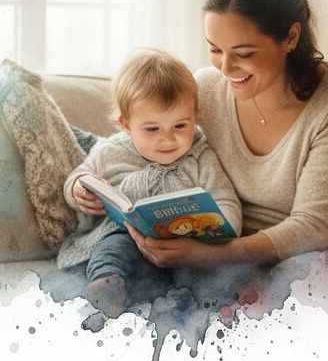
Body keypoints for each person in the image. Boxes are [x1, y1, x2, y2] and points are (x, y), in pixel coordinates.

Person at [117, 0, 328, 292]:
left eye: (244, 53)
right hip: (231, 255)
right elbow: (142, 139)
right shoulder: (206, 89)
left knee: (283, 300)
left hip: (327, 255)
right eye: (215, 49)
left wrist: (209, 256)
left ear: (290, 37)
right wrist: (88, 181)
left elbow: (312, 227)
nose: (226, 67)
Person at [60, 49, 242, 317]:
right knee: (113, 249)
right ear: (126, 124)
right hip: (127, 238)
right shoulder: (111, 152)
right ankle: (106, 287)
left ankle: (205, 304)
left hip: (186, 249)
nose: (168, 139)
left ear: (195, 116)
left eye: (180, 126)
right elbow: (82, 175)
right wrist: (77, 188)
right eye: (153, 129)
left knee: (203, 273)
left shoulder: (201, 156)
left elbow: (226, 199)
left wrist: (220, 230)